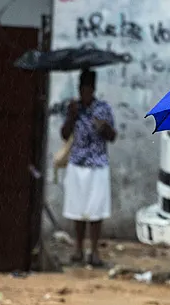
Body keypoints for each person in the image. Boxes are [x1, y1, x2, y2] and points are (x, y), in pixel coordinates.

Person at [61, 69, 116, 266]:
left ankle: (93, 251)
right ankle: (78, 248)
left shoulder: (103, 109)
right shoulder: (73, 108)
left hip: (98, 164)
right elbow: (64, 134)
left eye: (88, 89)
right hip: (77, 162)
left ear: (93, 89)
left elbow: (113, 136)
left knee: (96, 210)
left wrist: (104, 128)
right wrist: (71, 116)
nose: (85, 92)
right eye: (82, 89)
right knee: (77, 209)